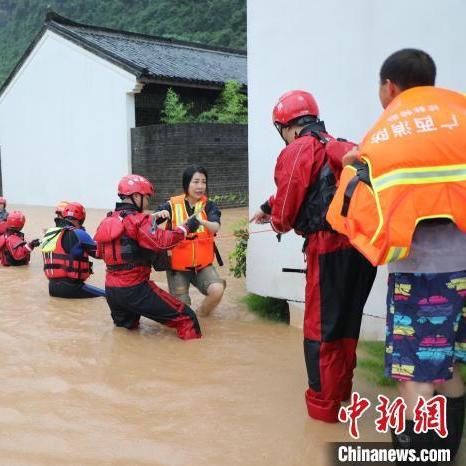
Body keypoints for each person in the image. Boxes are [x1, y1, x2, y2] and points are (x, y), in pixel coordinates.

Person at [328, 49, 465, 463]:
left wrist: (354, 167)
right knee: (448, 364)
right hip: (462, 268)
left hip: (421, 274)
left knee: (414, 375)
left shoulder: (386, 133)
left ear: (389, 87)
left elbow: (363, 207)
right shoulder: (458, 117)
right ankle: (449, 453)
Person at [250, 90, 377, 423]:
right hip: (361, 247)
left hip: (328, 248)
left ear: (286, 126)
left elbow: (288, 205)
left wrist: (276, 219)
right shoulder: (334, 144)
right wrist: (268, 206)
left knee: (321, 331)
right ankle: (341, 396)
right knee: (347, 324)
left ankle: (324, 411)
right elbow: (316, 184)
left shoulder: (298, 149)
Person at [94, 174, 202, 340]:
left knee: (127, 333)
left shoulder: (107, 220)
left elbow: (99, 253)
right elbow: (163, 242)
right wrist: (186, 228)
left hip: (112, 292)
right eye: (146, 198)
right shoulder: (138, 221)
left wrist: (152, 222)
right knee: (187, 319)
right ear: (136, 196)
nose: (147, 203)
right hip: (135, 289)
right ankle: (196, 363)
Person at [154, 165, 225, 317]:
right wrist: (159, 214)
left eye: (204, 182)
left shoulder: (209, 206)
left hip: (202, 266)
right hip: (177, 268)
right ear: (186, 183)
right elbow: (149, 224)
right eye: (196, 182)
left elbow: (215, 227)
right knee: (182, 312)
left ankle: (201, 316)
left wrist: (202, 222)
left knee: (217, 290)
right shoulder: (171, 205)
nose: (200, 186)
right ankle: (190, 319)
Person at [41, 202, 105, 299]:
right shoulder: (79, 234)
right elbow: (100, 254)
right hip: (72, 288)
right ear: (81, 219)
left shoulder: (50, 233)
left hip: (52, 288)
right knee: (108, 296)